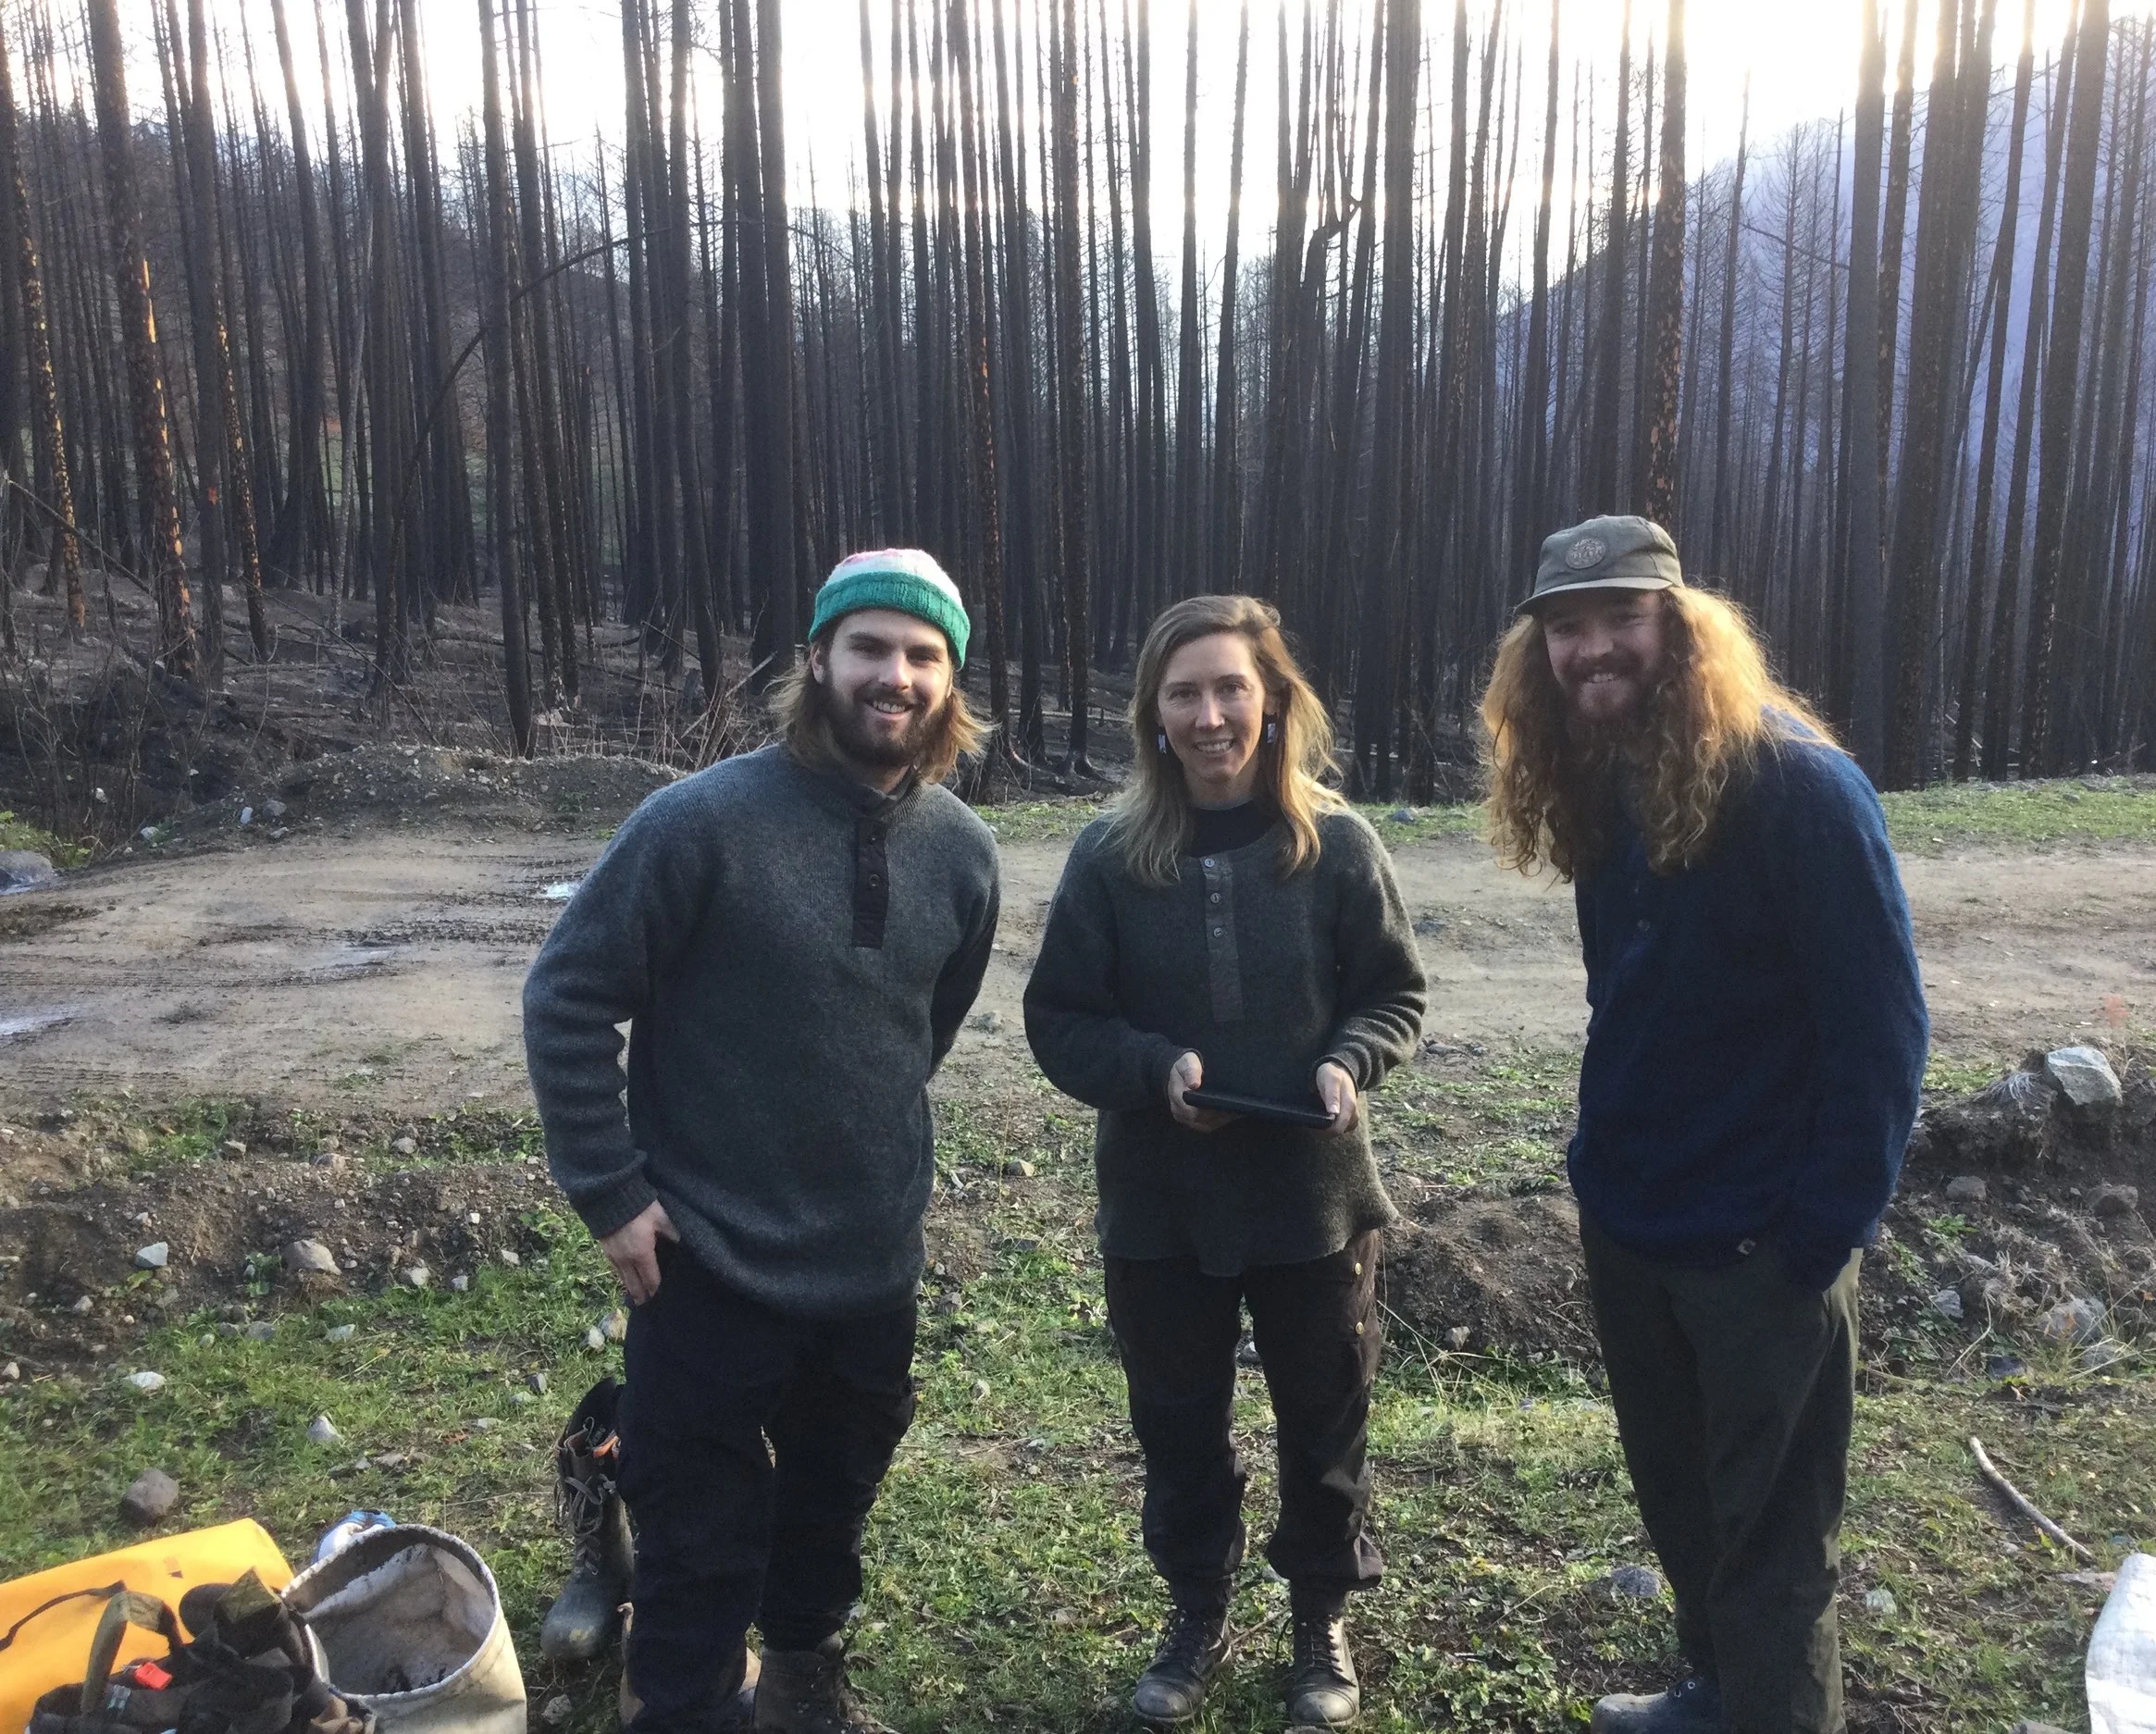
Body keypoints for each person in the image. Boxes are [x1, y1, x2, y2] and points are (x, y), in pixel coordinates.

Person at [524, 548, 1002, 1734]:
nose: (893, 676)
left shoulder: (962, 852)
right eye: (871, 649)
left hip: (868, 1262)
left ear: (948, 685)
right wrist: (610, 1188)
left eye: (921, 657)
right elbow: (568, 995)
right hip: (705, 1256)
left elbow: (916, 1030)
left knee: (832, 1503)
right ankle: (681, 1708)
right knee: (696, 1528)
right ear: (817, 662)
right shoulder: (698, 823)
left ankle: (800, 1689)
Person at [1480, 516, 1929, 1734]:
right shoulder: (1604, 777)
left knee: (1774, 1528)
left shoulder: (1800, 786)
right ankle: (1717, 1690)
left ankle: (1777, 1711)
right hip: (1635, 1226)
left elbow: (1882, 1035)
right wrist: (1602, 1170)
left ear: (1679, 624)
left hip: (1758, 1249)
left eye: (1617, 616)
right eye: (1564, 628)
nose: (1590, 648)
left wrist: (1817, 1235)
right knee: (1683, 1497)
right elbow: (1623, 997)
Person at [1023, 594, 1426, 1730]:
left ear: (1273, 699)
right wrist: (1154, 1072)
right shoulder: (1110, 856)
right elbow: (1059, 1020)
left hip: (1315, 1203)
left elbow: (1393, 993)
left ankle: (1318, 1617)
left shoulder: (1336, 843)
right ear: (1154, 713)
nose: (1209, 715)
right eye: (1184, 692)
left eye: (1230, 687)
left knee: (1324, 1416)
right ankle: (1196, 1608)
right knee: (1177, 1421)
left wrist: (1352, 1060)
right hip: (1161, 1208)